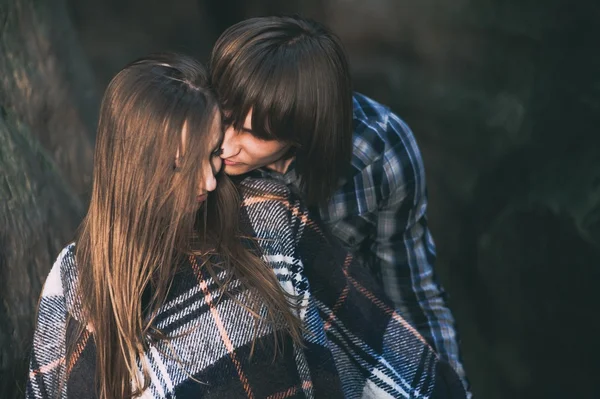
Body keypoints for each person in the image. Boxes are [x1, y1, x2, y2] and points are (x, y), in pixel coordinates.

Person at [27, 53, 466, 398]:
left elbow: (375, 335)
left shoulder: (266, 211)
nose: (209, 179)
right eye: (183, 164)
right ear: (134, 166)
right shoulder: (74, 276)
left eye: (211, 154)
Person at [210, 15, 470, 394]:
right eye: (227, 119)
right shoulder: (193, 138)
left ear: (303, 129)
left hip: (345, 329)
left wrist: (447, 383)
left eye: (256, 134)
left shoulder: (380, 154)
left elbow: (410, 287)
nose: (227, 146)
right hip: (239, 338)